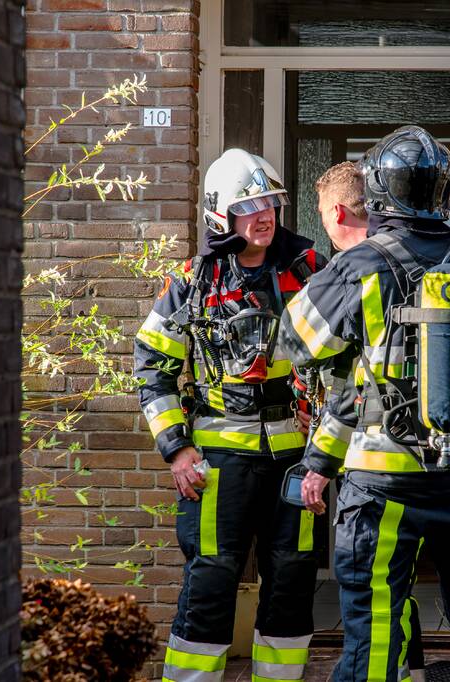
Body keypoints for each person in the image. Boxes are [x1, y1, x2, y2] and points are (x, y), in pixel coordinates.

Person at [280, 126, 450, 682]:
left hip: (379, 489)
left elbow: (294, 343)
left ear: (376, 191)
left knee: (374, 631)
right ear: (443, 191)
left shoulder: (358, 267)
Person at [134, 148, 326, 682]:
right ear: (222, 213)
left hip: (295, 457)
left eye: (271, 201)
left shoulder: (309, 268)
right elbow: (152, 365)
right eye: (251, 204)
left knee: (292, 576)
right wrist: (176, 448)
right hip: (217, 461)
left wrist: (327, 449)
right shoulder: (193, 280)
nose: (265, 213)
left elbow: (347, 355)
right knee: (212, 578)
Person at [298, 161, 427, 682]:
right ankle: (412, 672)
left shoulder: (356, 271)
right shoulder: (440, 258)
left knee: (373, 597)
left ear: (337, 212)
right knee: (408, 588)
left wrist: (319, 463)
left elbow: (294, 347)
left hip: (380, 470)